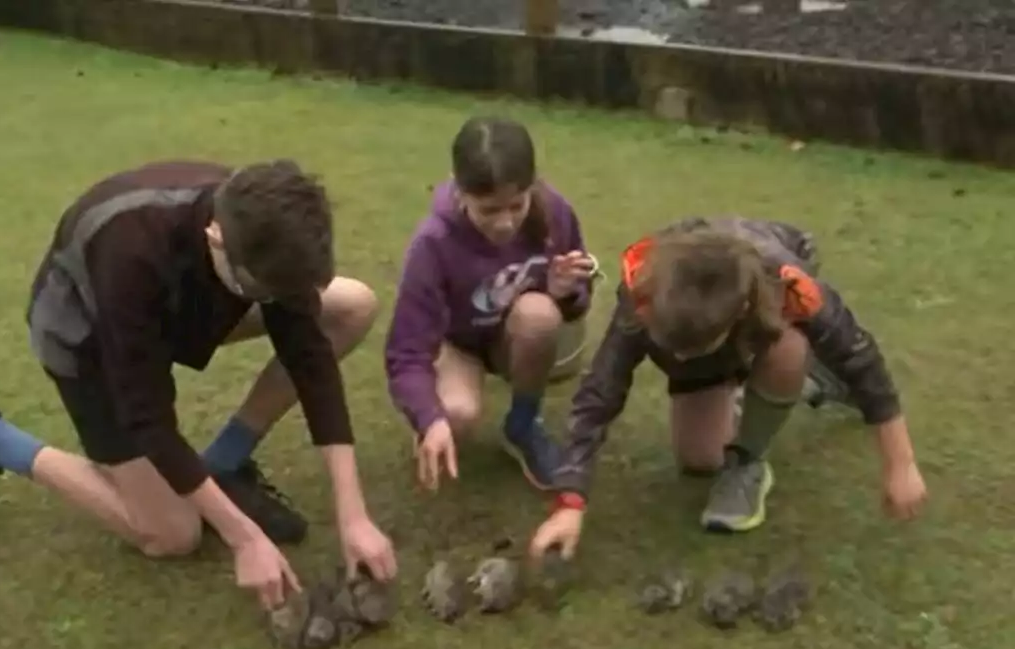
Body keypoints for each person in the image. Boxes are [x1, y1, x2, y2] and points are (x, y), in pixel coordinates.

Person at [0, 159, 398, 610]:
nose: (276, 302)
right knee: (171, 534)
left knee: (351, 305)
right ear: (215, 238)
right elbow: (147, 417)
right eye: (263, 292)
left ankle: (223, 465)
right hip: (87, 340)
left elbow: (309, 358)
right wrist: (244, 538)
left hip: (183, 311)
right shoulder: (131, 250)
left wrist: (352, 513)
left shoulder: (261, 224)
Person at [528, 216, 928, 558]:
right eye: (672, 349)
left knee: (788, 347)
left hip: (764, 326)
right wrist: (570, 501)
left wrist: (900, 464)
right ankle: (774, 381)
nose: (680, 360)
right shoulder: (643, 293)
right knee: (700, 457)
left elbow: (861, 357)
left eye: (691, 350)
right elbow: (601, 392)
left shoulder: (787, 286)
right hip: (723, 339)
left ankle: (751, 456)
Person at [384, 116, 600, 497]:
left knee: (540, 315)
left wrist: (564, 291)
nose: (505, 223)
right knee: (457, 417)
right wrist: (429, 417)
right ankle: (435, 422)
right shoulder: (432, 243)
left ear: (532, 185)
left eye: (516, 205)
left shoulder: (554, 213)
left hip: (513, 331)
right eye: (488, 210)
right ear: (459, 188)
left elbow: (576, 307)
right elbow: (405, 352)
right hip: (456, 344)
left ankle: (522, 425)